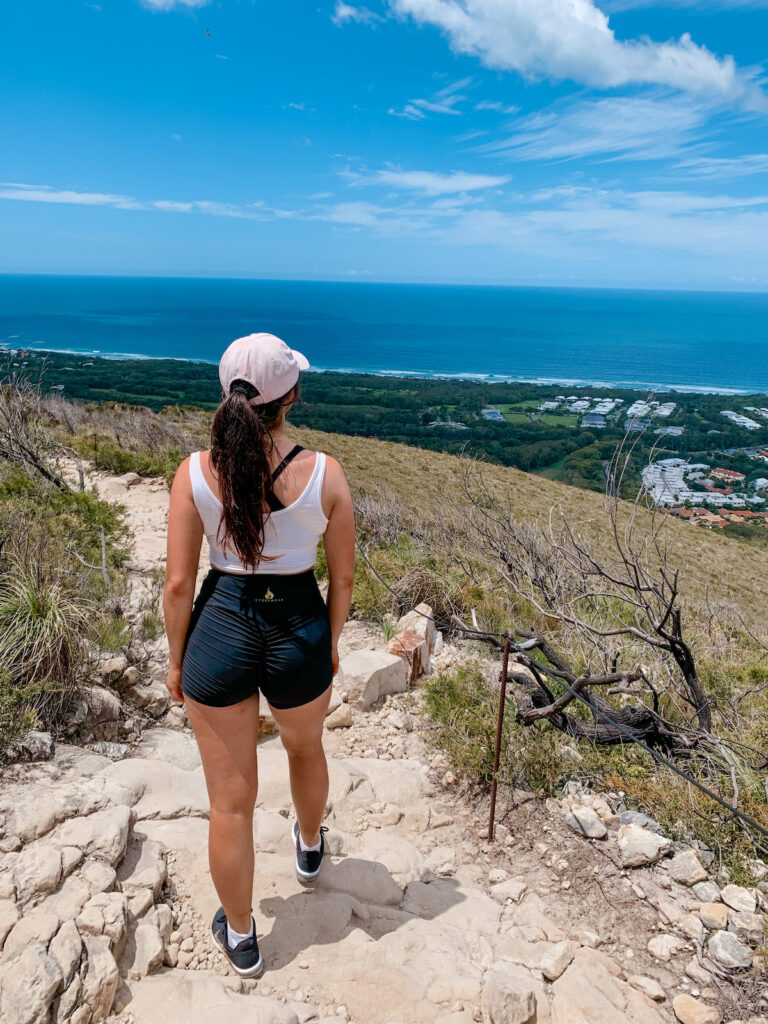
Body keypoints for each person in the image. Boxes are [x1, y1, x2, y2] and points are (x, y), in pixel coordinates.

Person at [163, 333, 355, 978]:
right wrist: (328, 643)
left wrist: (174, 660)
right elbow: (345, 580)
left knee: (230, 804)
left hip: (220, 630)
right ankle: (307, 848)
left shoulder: (194, 472)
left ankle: (243, 938)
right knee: (305, 748)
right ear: (290, 397)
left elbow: (178, 585)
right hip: (298, 625)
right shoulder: (326, 472)